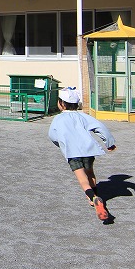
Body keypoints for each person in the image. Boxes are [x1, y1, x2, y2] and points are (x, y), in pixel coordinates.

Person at [47, 87, 117, 221]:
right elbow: (100, 127)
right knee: (90, 173)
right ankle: (95, 195)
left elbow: (52, 135)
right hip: (88, 150)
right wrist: (109, 143)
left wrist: (59, 144)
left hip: (72, 152)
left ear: (61, 104)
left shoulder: (58, 119)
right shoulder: (84, 116)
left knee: (82, 179)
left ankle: (93, 198)